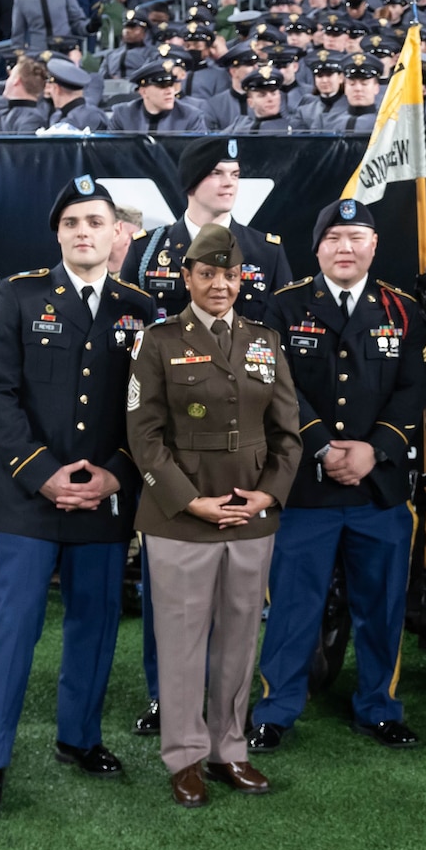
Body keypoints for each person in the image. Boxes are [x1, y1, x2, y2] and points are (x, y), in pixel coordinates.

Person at [0, 176, 156, 817]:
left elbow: (147, 408)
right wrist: (39, 469)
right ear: (58, 233)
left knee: (95, 625)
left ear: (116, 233)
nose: (83, 232)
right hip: (27, 495)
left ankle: (80, 737)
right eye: (71, 222)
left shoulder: (140, 307)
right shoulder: (17, 297)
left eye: (95, 222)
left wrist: (116, 474)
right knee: (14, 630)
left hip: (103, 496)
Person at [125, 224, 301, 807]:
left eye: (230, 275)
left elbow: (288, 435)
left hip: (250, 514)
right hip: (181, 515)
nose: (221, 284)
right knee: (180, 641)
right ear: (187, 278)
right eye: (208, 274)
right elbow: (143, 437)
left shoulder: (263, 340)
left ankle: (231, 748)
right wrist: (188, 499)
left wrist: (269, 495)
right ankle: (184, 756)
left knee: (238, 640)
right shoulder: (158, 341)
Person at [119, 136, 290, 730]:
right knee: (167, 596)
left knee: (240, 602)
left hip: (242, 447)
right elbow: (138, 335)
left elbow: (276, 341)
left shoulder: (265, 250)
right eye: (217, 171)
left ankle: (225, 714)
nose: (229, 181)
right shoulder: (147, 251)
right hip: (169, 439)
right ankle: (165, 696)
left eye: (236, 172)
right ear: (191, 181)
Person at [248, 199, 426, 752]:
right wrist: (324, 447)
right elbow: (273, 385)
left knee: (381, 608)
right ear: (317, 247)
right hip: (306, 486)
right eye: (333, 238)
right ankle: (276, 710)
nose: (344, 248)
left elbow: (413, 390)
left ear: (374, 246)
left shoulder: (404, 310)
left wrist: (376, 451)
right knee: (292, 608)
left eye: (355, 237)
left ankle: (379, 707)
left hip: (378, 489)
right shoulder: (281, 307)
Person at [108, 59, 206, 133]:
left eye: (171, 85)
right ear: (143, 92)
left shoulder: (190, 117)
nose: (169, 91)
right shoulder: (122, 115)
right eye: (162, 86)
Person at [44, 57, 109, 130]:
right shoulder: (57, 116)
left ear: (57, 89)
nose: (48, 90)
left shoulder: (87, 118)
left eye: (50, 87)